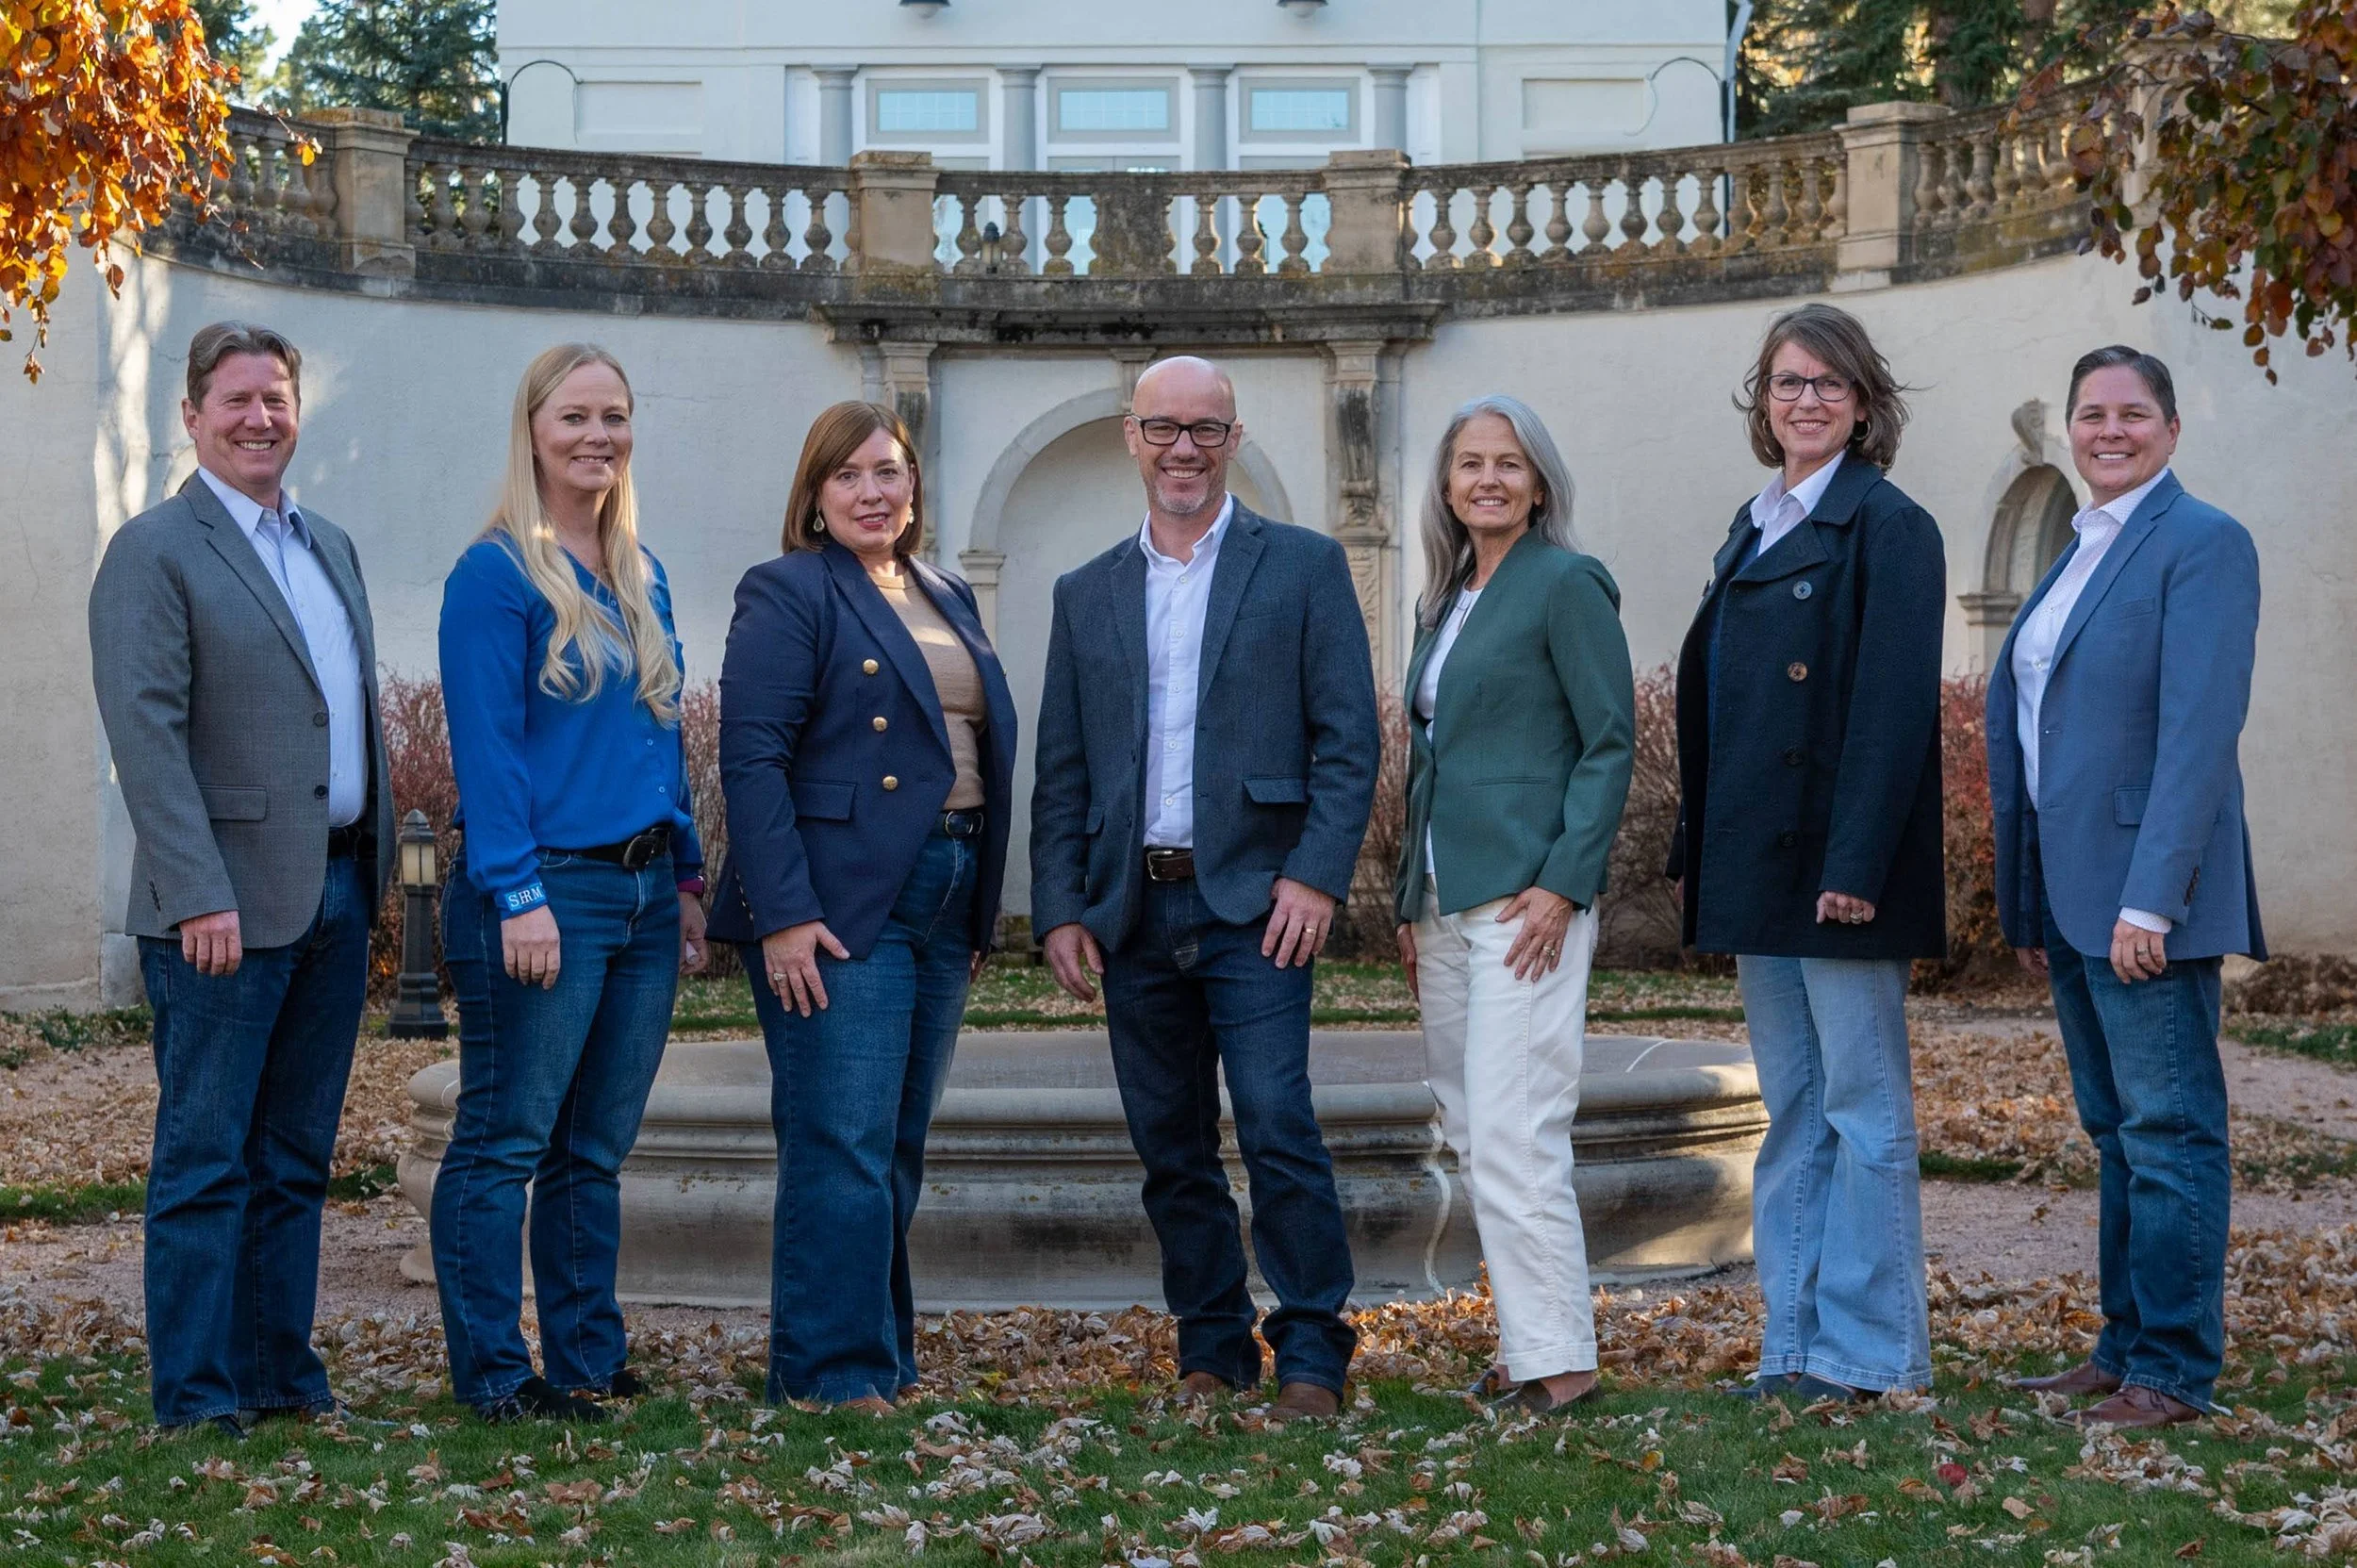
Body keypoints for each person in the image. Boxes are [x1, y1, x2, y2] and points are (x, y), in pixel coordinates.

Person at [1030, 355, 1379, 1421]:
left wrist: (1316, 876)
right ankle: (1212, 1347)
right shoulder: (1084, 591)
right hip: (1133, 910)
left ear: (1231, 440)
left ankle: (1313, 1352)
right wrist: (1058, 907)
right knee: (1169, 1145)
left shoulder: (1304, 568)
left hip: (1259, 905)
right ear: (1130, 437)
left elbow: (1347, 741)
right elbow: (1063, 768)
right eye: (1163, 428)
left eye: (1205, 430)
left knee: (1276, 1121)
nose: (1183, 448)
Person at [89, 321, 395, 1437]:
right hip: (219, 910)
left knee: (294, 1158)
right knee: (207, 1162)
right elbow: (147, 733)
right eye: (236, 400)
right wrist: (197, 890)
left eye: (276, 397)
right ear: (191, 416)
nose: (260, 417)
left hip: (334, 896)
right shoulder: (155, 550)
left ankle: (277, 1374)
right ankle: (198, 1395)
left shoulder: (332, 546)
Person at [707, 401, 1017, 1412]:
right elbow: (750, 760)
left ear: (914, 484)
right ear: (815, 493)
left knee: (893, 1141)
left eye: (889, 471)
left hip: (944, 884)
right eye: (849, 476)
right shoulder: (789, 590)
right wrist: (783, 912)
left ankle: (876, 1356)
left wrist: (973, 910)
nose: (873, 491)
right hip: (837, 899)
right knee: (839, 1134)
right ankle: (829, 1373)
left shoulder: (946, 588)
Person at [1667, 303, 1946, 1402]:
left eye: (1829, 384)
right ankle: (1793, 1347)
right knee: (1793, 1111)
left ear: (1866, 403)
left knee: (1864, 1111)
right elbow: (1720, 709)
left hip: (1839, 874)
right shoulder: (1755, 521)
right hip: (1757, 869)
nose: (1806, 401)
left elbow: (1888, 717)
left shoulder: (1890, 524)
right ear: (1762, 402)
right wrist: (1701, 851)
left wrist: (1854, 867)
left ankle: (1872, 1353)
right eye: (1787, 383)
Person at [432, 343, 707, 1425]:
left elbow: (662, 739)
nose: (598, 435)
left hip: (641, 898)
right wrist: (514, 893)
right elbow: (487, 751)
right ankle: (496, 1372)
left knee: (595, 1147)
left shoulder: (644, 571)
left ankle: (588, 1353)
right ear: (533, 427)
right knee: (505, 1140)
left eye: (616, 417)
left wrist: (684, 874)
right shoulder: (495, 574)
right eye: (575, 416)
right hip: (546, 893)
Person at [1989, 347, 2262, 1429]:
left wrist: (2152, 899)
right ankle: (2122, 1345)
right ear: (2069, 429)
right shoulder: (2080, 548)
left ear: (2172, 428)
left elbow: (2198, 733)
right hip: (2071, 890)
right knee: (2116, 1130)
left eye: (2132, 413)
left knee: (2170, 1129)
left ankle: (2175, 1368)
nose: (2110, 430)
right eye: (2092, 414)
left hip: (2146, 897)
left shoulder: (2201, 543)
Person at [1392, 396, 1636, 1414]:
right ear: (1446, 485)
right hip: (1445, 907)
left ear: (1538, 482)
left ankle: (1562, 1365)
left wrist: (1565, 881)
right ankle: (1529, 1343)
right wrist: (1410, 900)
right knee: (1469, 1123)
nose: (1486, 478)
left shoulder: (1564, 583)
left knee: (1515, 1128)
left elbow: (1609, 740)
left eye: (1507, 463)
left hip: (1527, 902)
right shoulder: (1446, 599)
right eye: (1467, 464)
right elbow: (1430, 760)